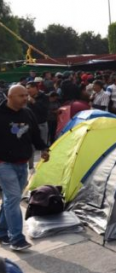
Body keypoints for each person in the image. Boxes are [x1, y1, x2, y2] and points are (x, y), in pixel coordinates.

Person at [0, 85, 50, 251]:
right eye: (21, 96)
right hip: (4, 164)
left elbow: (35, 134)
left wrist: (43, 148)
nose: (25, 98)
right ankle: (17, 239)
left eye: (26, 95)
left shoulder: (28, 113)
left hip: (22, 163)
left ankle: (1, 232)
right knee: (13, 199)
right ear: (10, 97)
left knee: (10, 200)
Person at [26, 82, 49, 169]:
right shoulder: (27, 98)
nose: (28, 90)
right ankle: (30, 167)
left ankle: (43, 166)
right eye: (27, 88)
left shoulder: (44, 97)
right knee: (30, 147)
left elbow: (44, 110)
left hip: (42, 124)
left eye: (29, 88)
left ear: (36, 88)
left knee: (42, 146)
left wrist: (34, 102)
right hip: (30, 126)